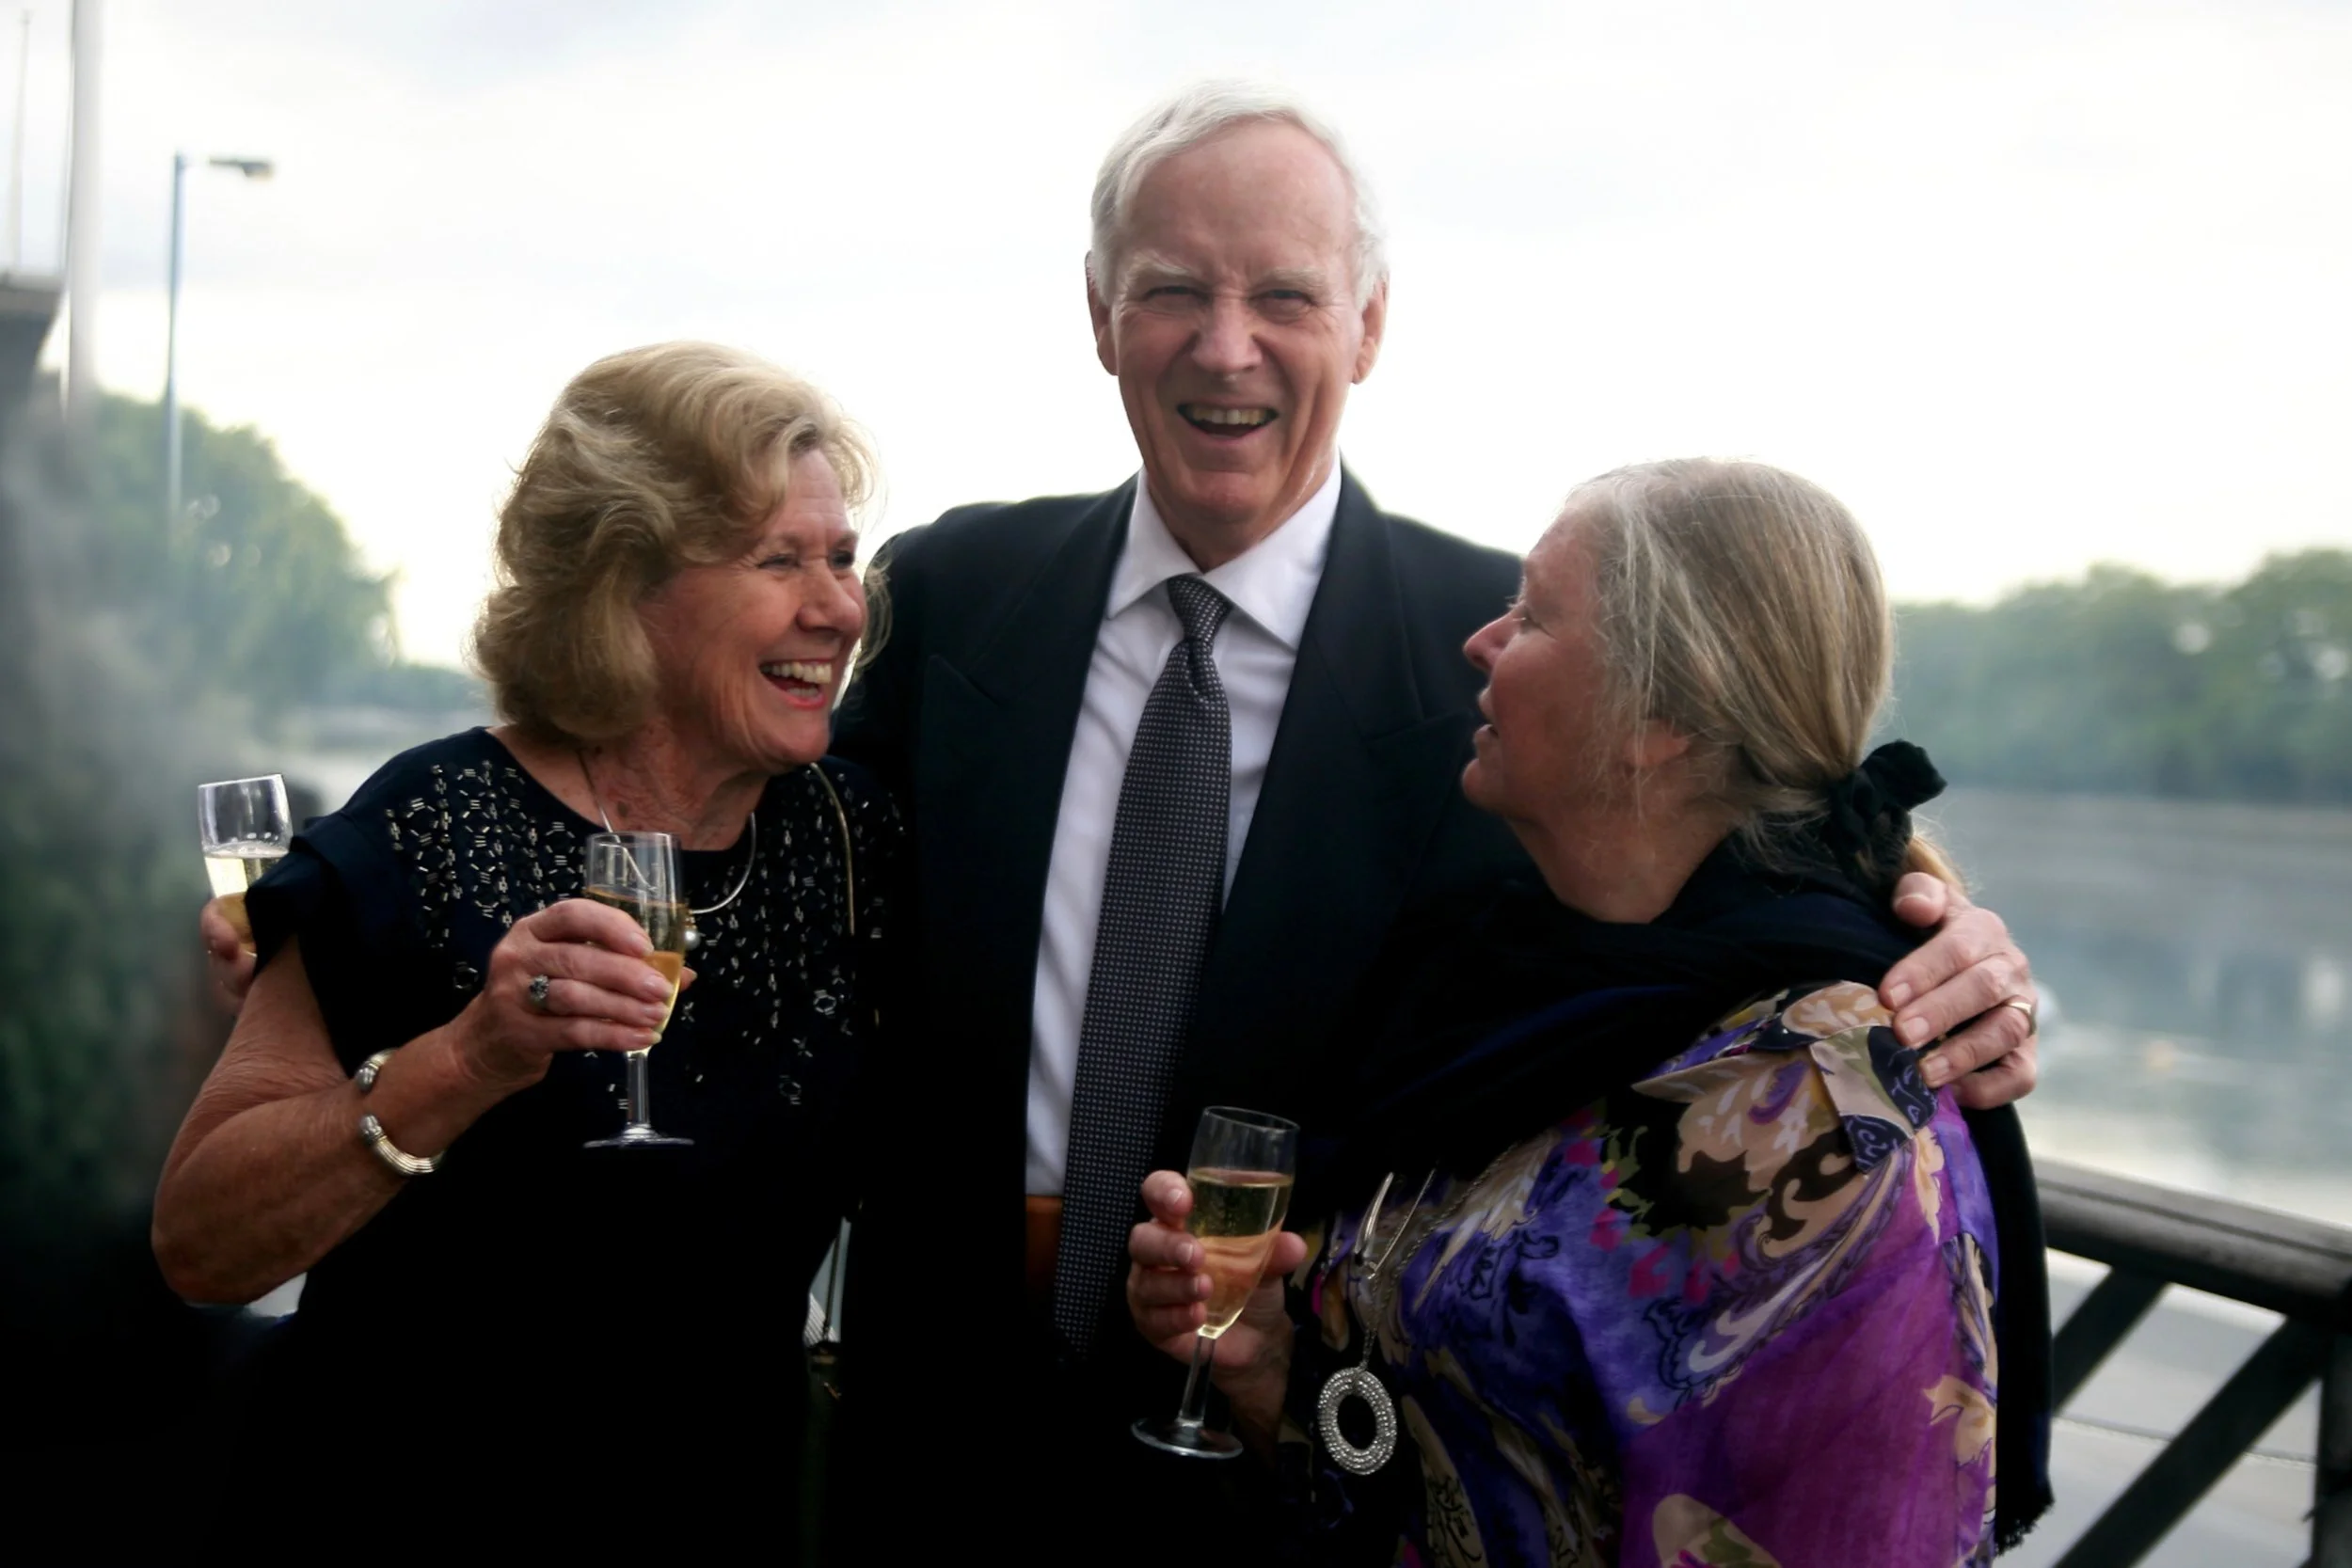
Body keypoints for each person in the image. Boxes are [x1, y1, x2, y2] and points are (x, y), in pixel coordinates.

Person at [829, 83, 2040, 1559]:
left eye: (1285, 293)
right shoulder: (958, 590)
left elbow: (1748, 861)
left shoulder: (1513, 669)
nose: (1228, 346)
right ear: (1099, 314)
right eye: (1171, 292)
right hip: (930, 1434)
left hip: (1288, 1487)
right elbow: (781, 858)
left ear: (1368, 326)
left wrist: (1943, 937)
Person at [1127, 459, 2053, 1566]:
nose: (1479, 641)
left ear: (1654, 717)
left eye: (1530, 614)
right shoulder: (1503, 968)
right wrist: (1271, 1365)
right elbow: (1445, 1456)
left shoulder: (1831, 1103)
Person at [154, 341, 899, 1556]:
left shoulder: (856, 841)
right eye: (781, 560)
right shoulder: (431, 823)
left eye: (842, 557)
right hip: (394, 1525)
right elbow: (201, 1237)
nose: (839, 605)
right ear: (628, 585)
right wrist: (472, 1054)